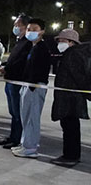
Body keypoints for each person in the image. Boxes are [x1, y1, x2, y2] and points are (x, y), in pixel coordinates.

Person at [50, 29, 89, 167]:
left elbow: (78, 76)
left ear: (72, 42)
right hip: (70, 98)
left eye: (63, 40)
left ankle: (70, 156)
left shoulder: (72, 55)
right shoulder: (72, 54)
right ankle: (70, 155)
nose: (60, 43)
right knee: (70, 127)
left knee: (70, 128)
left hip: (70, 99)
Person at [13, 18, 50, 158]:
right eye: (29, 29)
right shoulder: (33, 47)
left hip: (34, 87)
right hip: (28, 85)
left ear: (42, 31)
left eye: (35, 29)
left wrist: (32, 85)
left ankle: (30, 147)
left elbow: (40, 70)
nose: (31, 32)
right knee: (26, 116)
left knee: (32, 119)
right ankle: (25, 144)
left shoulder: (42, 48)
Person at [0, 14, 29, 148]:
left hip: (17, 81)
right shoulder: (19, 42)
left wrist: (7, 68)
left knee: (17, 112)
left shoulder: (27, 43)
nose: (15, 27)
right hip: (10, 80)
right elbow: (13, 59)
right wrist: (5, 65)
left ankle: (17, 139)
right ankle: (12, 136)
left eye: (17, 25)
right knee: (13, 111)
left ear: (25, 26)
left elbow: (21, 62)